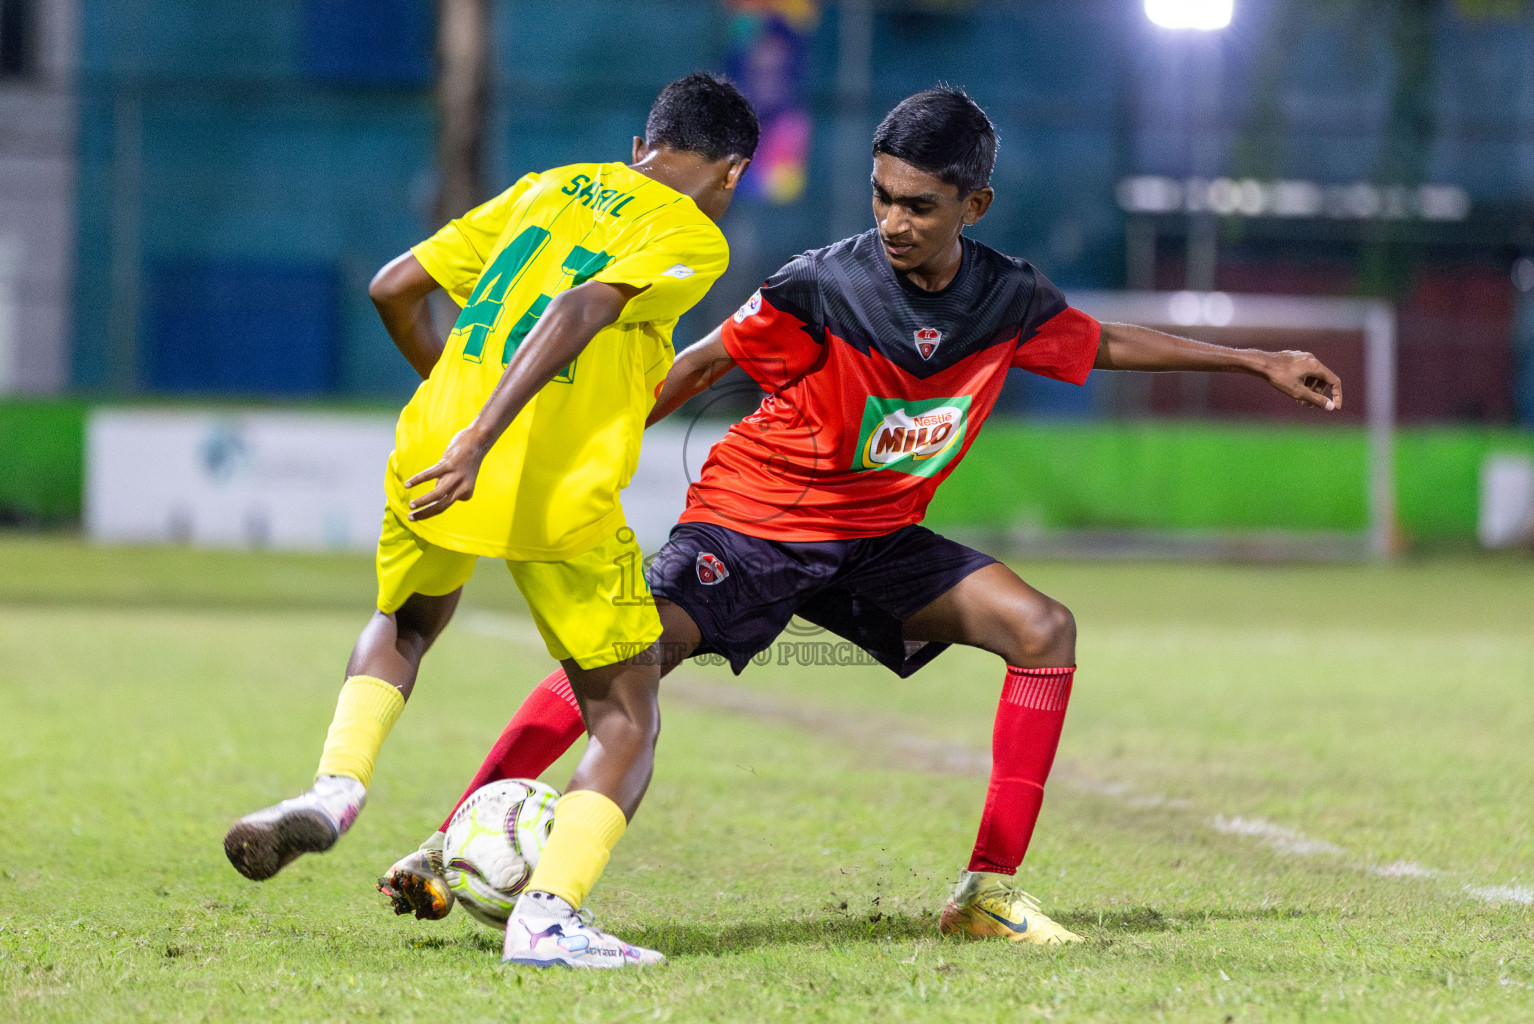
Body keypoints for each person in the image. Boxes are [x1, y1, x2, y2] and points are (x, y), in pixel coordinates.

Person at [380, 86, 1343, 954]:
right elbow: (709, 360)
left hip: (874, 540)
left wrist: (1256, 360)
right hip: (753, 523)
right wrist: (580, 436)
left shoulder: (1006, 298)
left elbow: (1103, 342)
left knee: (1042, 629)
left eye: (919, 205)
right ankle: (445, 843)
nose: (893, 220)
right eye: (881, 196)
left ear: (974, 207)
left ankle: (985, 894)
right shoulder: (821, 286)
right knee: (625, 660)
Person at [222, 72, 759, 969]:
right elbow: (583, 307)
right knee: (626, 711)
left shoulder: (545, 188)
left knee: (406, 622)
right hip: (544, 483)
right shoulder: (690, 235)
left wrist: (453, 406)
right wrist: (483, 436)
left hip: (429, 452)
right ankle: (547, 918)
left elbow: (394, 288)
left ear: (642, 144)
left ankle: (335, 788)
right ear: (732, 170)